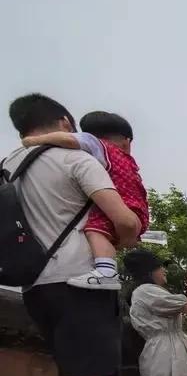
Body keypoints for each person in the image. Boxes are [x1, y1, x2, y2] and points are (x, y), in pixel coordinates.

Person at [7, 94, 140, 376]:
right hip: (81, 281)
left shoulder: (10, 165)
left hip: (34, 285)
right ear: (65, 121)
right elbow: (123, 219)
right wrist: (129, 232)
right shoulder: (78, 160)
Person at [21, 111, 148, 291]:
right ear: (127, 142)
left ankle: (106, 272)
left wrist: (34, 140)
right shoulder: (130, 162)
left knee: (95, 231)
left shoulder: (97, 145)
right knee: (105, 234)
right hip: (139, 211)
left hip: (123, 209)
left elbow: (70, 140)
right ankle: (107, 269)